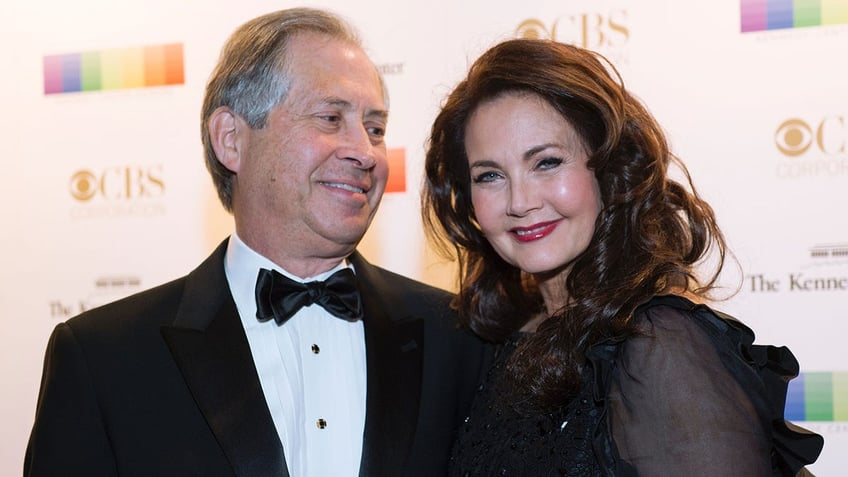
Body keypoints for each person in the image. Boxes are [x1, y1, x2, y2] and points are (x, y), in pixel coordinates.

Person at [25, 8, 489, 477]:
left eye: (375, 129)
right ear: (231, 139)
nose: (366, 152)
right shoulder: (104, 358)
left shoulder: (461, 341)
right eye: (331, 117)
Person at [422, 38, 824, 476]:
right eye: (490, 175)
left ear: (609, 168)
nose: (519, 202)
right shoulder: (507, 338)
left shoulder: (658, 344)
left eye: (547, 163)